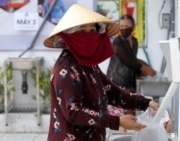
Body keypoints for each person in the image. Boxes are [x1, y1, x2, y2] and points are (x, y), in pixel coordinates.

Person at [43, 4, 160, 141]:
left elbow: (112, 92)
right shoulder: (66, 69)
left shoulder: (89, 65)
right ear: (69, 36)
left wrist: (146, 103)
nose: (88, 36)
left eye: (92, 30)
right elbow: (73, 112)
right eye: (81, 32)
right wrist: (117, 121)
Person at [106, 14, 156, 132]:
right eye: (121, 26)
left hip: (129, 84)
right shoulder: (118, 43)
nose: (123, 28)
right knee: (122, 120)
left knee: (130, 117)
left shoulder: (134, 41)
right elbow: (130, 61)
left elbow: (134, 59)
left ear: (133, 27)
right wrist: (144, 69)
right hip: (117, 82)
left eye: (126, 26)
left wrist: (147, 67)